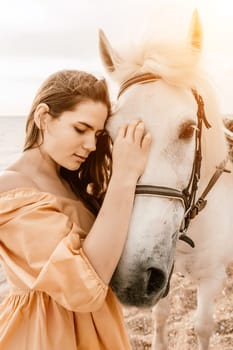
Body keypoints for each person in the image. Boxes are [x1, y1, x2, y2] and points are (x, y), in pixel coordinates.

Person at [0, 69, 151, 350]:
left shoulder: (75, 184)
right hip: (44, 335)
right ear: (43, 117)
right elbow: (82, 288)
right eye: (80, 129)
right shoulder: (10, 190)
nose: (91, 145)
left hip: (100, 330)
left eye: (97, 134)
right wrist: (124, 175)